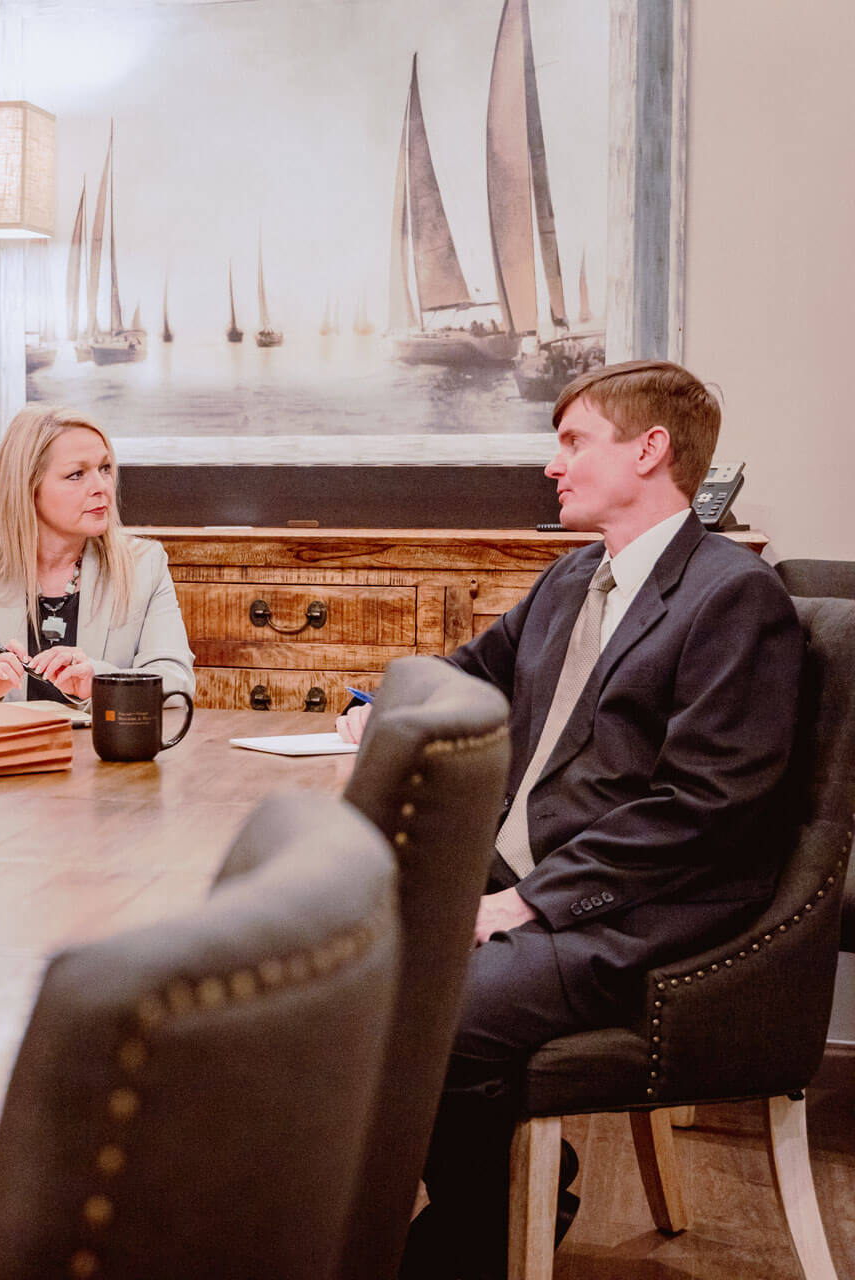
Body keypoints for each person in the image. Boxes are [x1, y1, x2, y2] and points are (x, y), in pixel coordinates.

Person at [339, 360, 803, 1279]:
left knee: (438, 1012)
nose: (555, 465)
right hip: (526, 873)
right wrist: (375, 704)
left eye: (573, 442)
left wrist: (536, 902)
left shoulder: (733, 597)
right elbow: (469, 669)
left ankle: (481, 1236)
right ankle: (415, 1209)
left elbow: (708, 808)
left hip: (644, 908)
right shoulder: (571, 580)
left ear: (649, 449)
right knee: (335, 958)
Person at [0, 406, 193, 704]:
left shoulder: (143, 565)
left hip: (102, 761)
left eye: (105, 468)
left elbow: (177, 685)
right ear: (28, 487)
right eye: (76, 474)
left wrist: (101, 681)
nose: (102, 486)